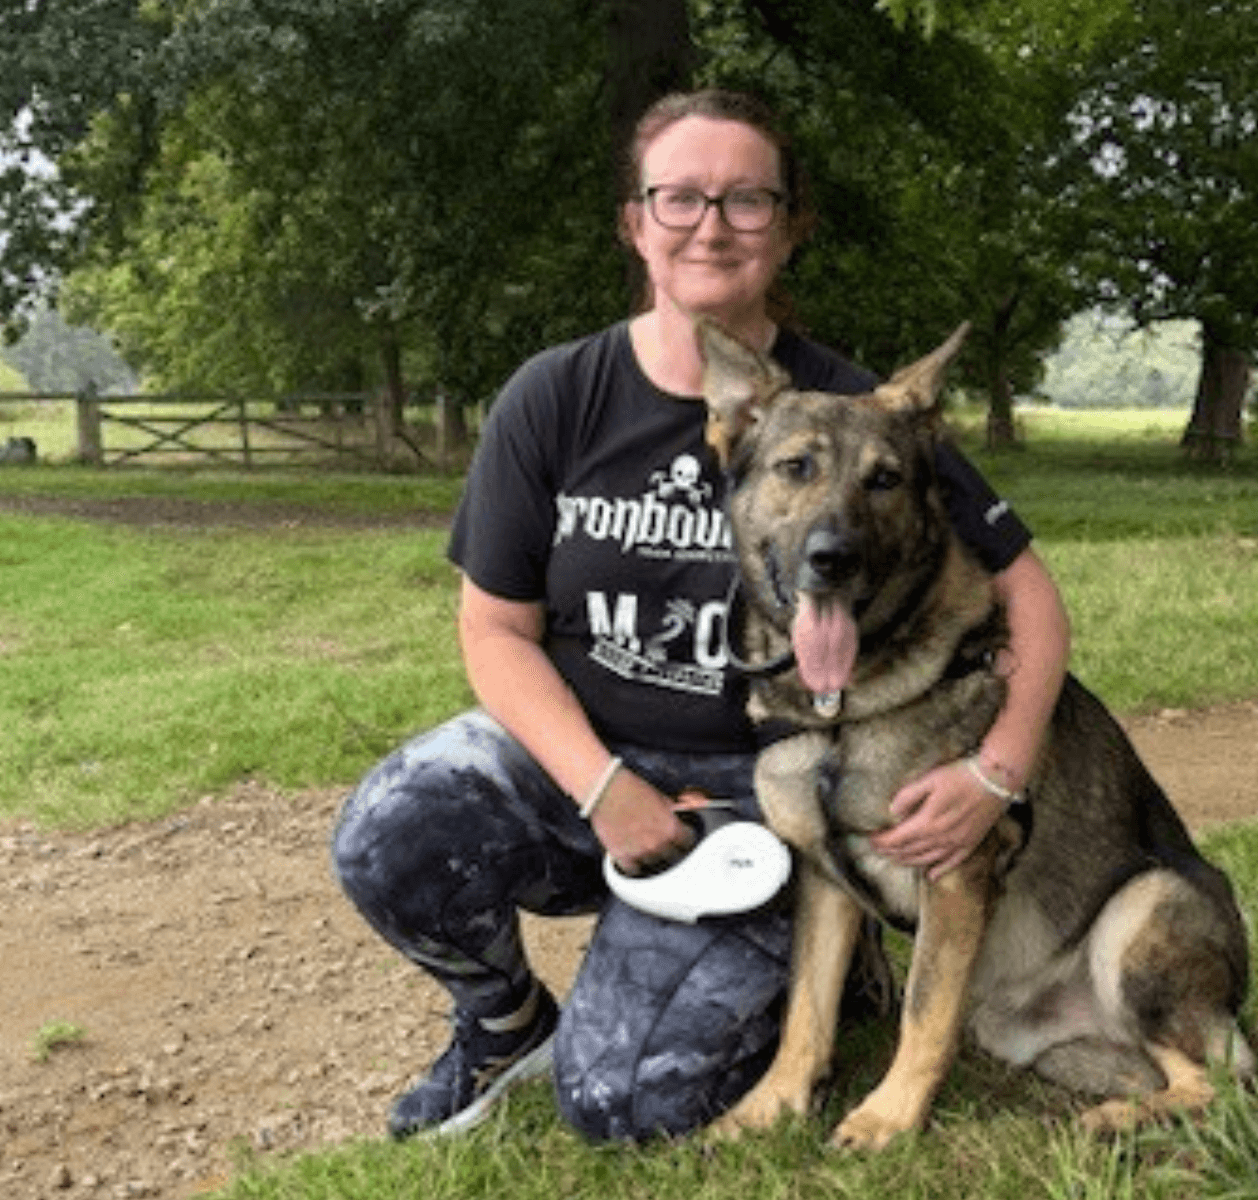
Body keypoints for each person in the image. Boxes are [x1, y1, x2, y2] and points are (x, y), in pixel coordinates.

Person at [331, 88, 1071, 1144]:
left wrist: (995, 772)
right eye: (678, 197)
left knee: (623, 1106)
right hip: (580, 765)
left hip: (759, 797)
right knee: (391, 832)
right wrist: (602, 789)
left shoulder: (860, 414)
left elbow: (1029, 594)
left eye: (746, 200)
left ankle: (792, 961)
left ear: (789, 226)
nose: (710, 225)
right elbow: (494, 630)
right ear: (636, 223)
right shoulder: (554, 396)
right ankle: (502, 1024)